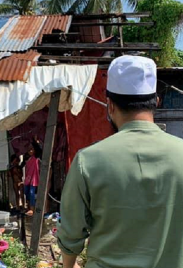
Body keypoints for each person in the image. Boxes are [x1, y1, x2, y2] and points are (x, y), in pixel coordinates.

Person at [57, 55, 183, 268]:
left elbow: (71, 233)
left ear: (110, 105)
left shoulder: (87, 160)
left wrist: (68, 265)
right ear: (156, 103)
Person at [23, 136, 42, 216]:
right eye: (29, 150)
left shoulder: (36, 157)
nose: (30, 151)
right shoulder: (27, 158)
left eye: (32, 149)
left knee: (31, 192)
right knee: (26, 192)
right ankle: (28, 208)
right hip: (27, 179)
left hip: (33, 178)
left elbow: (38, 149)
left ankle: (32, 209)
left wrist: (34, 141)